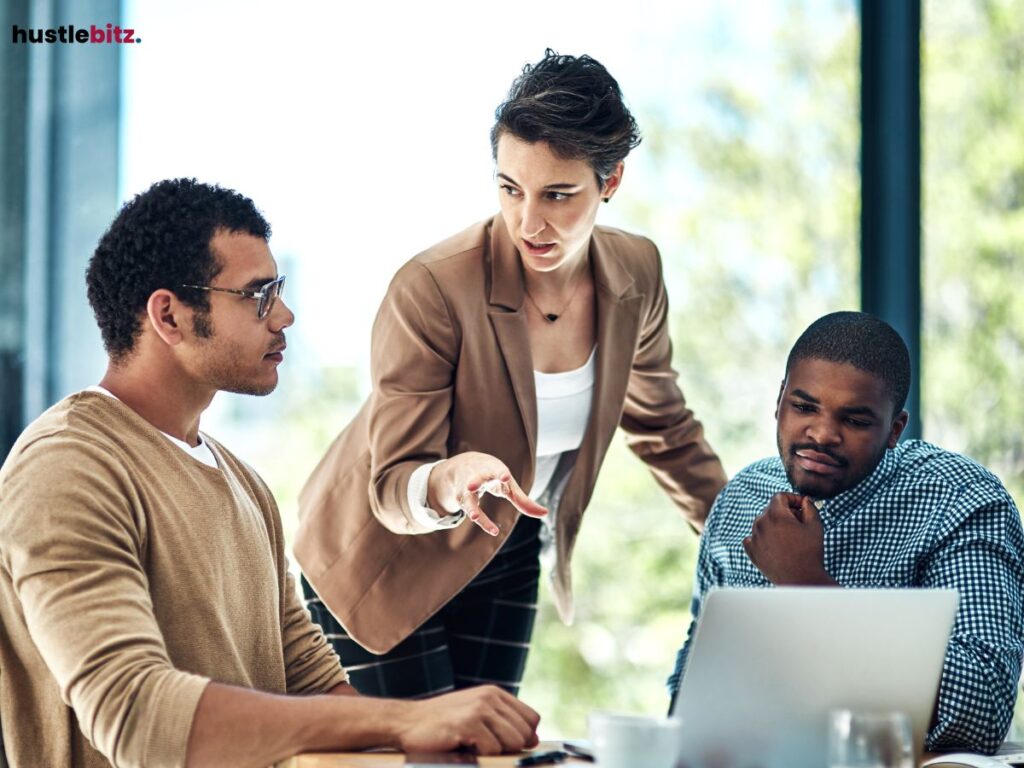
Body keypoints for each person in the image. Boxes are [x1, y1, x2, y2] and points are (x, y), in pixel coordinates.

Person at [0, 178, 540, 768]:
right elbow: (136, 716)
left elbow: (312, 683)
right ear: (170, 316)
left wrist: (434, 741)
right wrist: (409, 717)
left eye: (277, 290)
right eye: (258, 296)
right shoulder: (67, 466)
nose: (284, 314)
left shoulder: (247, 486)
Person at [296, 49, 727, 698]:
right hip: (380, 558)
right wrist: (449, 477)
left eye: (558, 194)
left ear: (610, 183)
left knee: (491, 752)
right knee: (425, 759)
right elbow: (390, 485)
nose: (530, 221)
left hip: (506, 545)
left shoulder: (637, 273)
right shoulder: (434, 287)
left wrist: (746, 544)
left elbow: (664, 427)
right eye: (510, 189)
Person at [667, 311, 1024, 754]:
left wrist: (806, 586)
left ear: (894, 429)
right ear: (779, 400)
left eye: (854, 420)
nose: (821, 434)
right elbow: (697, 674)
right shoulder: (741, 497)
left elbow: (982, 710)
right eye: (803, 407)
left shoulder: (959, 499)